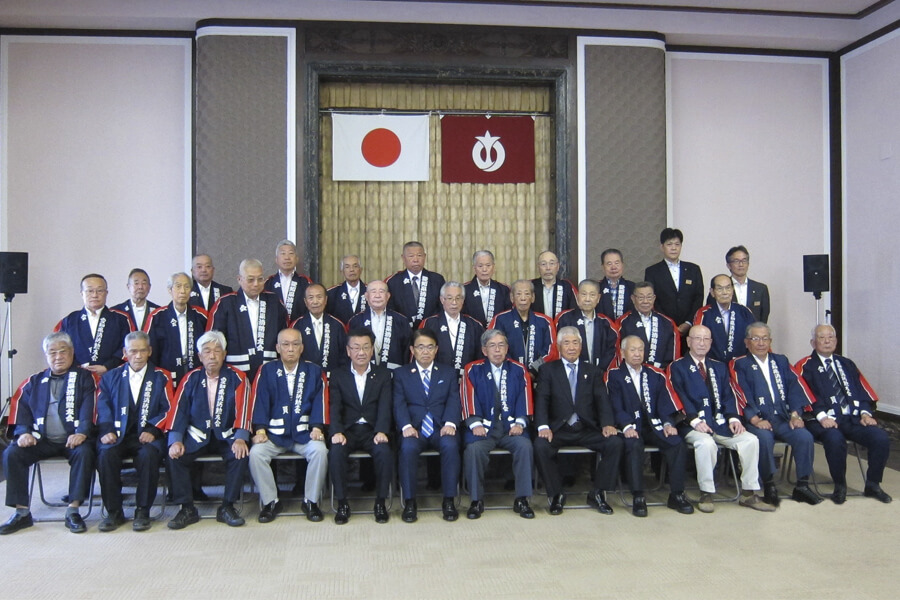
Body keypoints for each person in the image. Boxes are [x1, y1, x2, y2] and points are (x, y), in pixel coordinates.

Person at [668, 325, 774, 512]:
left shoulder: (718, 367)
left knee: (751, 440)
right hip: (692, 424)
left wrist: (734, 418)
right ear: (688, 341)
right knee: (705, 443)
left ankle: (749, 492)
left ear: (711, 342)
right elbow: (677, 397)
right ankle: (706, 493)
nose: (702, 343)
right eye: (697, 338)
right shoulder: (677, 367)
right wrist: (693, 420)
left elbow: (729, 395)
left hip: (719, 423)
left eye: (706, 339)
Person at [0, 332, 96, 535]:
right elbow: (21, 412)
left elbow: (91, 408)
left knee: (85, 452)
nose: (58, 356)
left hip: (74, 439)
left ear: (72, 353)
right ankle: (22, 512)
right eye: (52, 352)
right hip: (42, 439)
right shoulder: (33, 382)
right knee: (12, 453)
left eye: (63, 351)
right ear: (46, 355)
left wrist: (82, 432)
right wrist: (23, 433)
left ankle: (73, 510)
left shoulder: (85, 378)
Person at [795, 324, 892, 504]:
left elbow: (863, 391)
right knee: (834, 439)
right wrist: (822, 417)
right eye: (822, 337)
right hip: (821, 420)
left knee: (880, 438)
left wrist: (865, 413)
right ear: (813, 342)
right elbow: (801, 396)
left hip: (852, 418)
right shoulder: (804, 366)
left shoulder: (846, 364)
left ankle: (873, 484)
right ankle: (840, 485)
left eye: (831, 337)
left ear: (836, 341)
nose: (827, 341)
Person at [533, 327, 623, 516]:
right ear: (558, 347)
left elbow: (602, 399)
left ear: (581, 346)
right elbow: (542, 400)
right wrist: (543, 426)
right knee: (540, 446)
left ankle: (598, 493)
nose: (571, 347)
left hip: (586, 428)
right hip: (559, 428)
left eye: (575, 343)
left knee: (615, 442)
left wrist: (608, 423)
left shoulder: (593, 371)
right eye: (566, 343)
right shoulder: (548, 370)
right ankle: (556, 494)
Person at [730, 322, 822, 506]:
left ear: (770, 341)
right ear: (747, 342)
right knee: (763, 439)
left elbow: (796, 387)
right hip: (757, 419)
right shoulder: (739, 364)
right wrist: (755, 419)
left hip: (783, 417)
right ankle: (769, 483)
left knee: (804, 436)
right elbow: (739, 392)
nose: (761, 343)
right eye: (756, 338)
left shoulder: (780, 361)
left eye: (765, 338)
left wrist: (796, 414)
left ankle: (802, 485)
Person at [165, 330, 251, 529]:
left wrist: (241, 437)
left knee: (240, 454)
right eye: (207, 351)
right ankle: (186, 507)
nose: (212, 356)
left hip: (227, 434)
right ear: (200, 356)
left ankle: (227, 506)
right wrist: (176, 440)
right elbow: (179, 411)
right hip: (197, 434)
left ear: (225, 354)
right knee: (174, 455)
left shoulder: (237, 377)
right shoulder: (190, 378)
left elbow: (244, 408)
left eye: (217, 351)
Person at [606, 335, 694, 516]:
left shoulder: (655, 374)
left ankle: (677, 494)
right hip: (628, 427)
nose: (637, 354)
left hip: (654, 425)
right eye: (633, 350)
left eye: (640, 350)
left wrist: (668, 423)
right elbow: (614, 405)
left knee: (676, 442)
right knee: (634, 445)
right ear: (622, 353)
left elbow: (664, 404)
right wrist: (626, 426)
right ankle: (638, 496)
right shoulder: (613, 375)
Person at [248, 328, 328, 523]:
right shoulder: (266, 371)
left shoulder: (314, 371)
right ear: (277, 348)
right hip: (275, 435)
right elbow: (260, 401)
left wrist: (317, 427)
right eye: (285, 344)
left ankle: (311, 501)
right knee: (256, 454)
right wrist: (260, 429)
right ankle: (271, 502)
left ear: (302, 348)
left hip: (303, 434)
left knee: (320, 451)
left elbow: (321, 401)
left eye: (295, 344)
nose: (290, 349)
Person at [96, 331, 173, 532]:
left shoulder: (161, 376)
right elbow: (101, 406)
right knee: (105, 454)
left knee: (149, 455)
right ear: (124, 352)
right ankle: (114, 511)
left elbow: (170, 408)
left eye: (142, 351)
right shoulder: (111, 377)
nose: (138, 356)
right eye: (133, 351)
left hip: (147, 436)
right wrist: (107, 430)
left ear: (150, 351)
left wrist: (153, 429)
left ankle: (143, 510)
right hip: (117, 435)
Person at [461, 329, 535, 520]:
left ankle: (522, 499)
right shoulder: (472, 369)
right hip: (483, 428)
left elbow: (524, 398)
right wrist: (474, 423)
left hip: (510, 427)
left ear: (507, 348)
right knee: (474, 449)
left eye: (501, 345)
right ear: (484, 350)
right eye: (492, 346)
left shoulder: (518, 369)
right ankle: (476, 500)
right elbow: (468, 399)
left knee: (525, 446)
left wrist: (520, 422)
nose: (497, 350)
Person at [393, 330, 461, 523]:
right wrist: (405, 426)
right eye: (420, 347)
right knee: (407, 448)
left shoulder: (447, 372)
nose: (425, 351)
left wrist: (449, 423)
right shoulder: (401, 374)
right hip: (414, 428)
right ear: (412, 350)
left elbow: (453, 400)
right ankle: (410, 502)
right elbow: (398, 403)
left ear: (436, 349)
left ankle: (449, 500)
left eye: (430, 347)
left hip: (441, 427)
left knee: (451, 445)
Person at [328, 329, 394, 524]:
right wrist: (337, 431)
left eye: (366, 347)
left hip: (373, 430)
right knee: (336, 453)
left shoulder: (383, 374)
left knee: (384, 452)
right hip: (347, 430)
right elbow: (334, 407)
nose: (361, 352)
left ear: (372, 350)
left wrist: (382, 430)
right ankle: (342, 504)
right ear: (348, 351)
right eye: (356, 348)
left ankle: (380, 503)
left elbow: (385, 405)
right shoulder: (338, 375)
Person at [208, 258, 288, 379]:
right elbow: (214, 339)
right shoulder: (225, 303)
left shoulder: (274, 302)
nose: (256, 284)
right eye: (251, 279)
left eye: (260, 279)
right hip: (234, 373)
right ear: (239, 279)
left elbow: (285, 334)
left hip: (270, 371)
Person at [55, 273, 133, 375]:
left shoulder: (121, 319)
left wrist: (107, 366)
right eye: (90, 291)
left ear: (106, 293)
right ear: (82, 293)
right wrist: (79, 367)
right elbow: (61, 347)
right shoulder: (70, 320)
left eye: (100, 290)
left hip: (112, 374)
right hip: (77, 375)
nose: (95, 295)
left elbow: (128, 347)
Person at [145, 272, 209, 385]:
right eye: (178, 286)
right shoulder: (157, 316)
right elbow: (150, 350)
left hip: (196, 373)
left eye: (187, 287)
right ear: (170, 290)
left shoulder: (201, 315)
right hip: (167, 374)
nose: (183, 291)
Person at [643, 228, 704, 340]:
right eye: (669, 244)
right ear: (662, 247)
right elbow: (652, 299)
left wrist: (688, 322)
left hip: (690, 330)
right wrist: (668, 323)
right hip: (663, 327)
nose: (674, 248)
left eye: (677, 244)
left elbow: (698, 297)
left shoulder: (693, 269)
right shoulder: (652, 271)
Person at [489, 279, 557, 376]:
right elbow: (493, 348)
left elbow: (551, 351)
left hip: (539, 376)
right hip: (508, 375)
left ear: (533, 297)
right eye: (518, 294)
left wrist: (534, 370)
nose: (523, 298)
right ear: (512, 297)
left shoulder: (545, 321)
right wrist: (515, 369)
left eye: (527, 294)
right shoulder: (500, 320)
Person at [419, 281, 485, 375]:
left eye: (458, 298)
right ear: (442, 300)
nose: (454, 302)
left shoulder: (474, 325)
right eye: (449, 298)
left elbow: (480, 357)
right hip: (436, 379)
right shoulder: (429, 324)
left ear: (463, 300)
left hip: (465, 380)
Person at [555, 279, 618, 371]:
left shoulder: (606, 323)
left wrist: (599, 372)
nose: (587, 299)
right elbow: (556, 347)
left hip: (598, 375)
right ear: (577, 296)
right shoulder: (564, 318)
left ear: (598, 298)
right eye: (584, 294)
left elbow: (612, 351)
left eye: (592, 295)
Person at [348, 279, 411, 370]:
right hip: (364, 373)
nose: (377, 296)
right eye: (373, 292)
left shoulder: (401, 320)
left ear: (388, 296)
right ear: (366, 296)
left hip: (394, 374)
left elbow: (407, 351)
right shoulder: (355, 321)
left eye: (381, 292)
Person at [616, 281, 680, 368]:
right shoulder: (622, 322)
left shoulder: (667, 323)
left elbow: (673, 356)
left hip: (660, 375)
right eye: (641, 298)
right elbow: (618, 354)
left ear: (654, 298)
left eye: (649, 297)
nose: (645, 301)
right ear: (633, 298)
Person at [693, 274, 755, 364]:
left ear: (733, 290)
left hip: (741, 364)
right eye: (719, 289)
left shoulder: (744, 311)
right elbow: (697, 343)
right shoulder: (703, 314)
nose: (725, 292)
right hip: (713, 365)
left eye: (728, 288)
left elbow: (754, 338)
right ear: (712, 292)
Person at [385, 241, 446, 329]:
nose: (416, 260)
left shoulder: (437, 279)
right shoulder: (393, 282)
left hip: (431, 331)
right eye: (411, 256)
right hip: (402, 331)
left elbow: (443, 308)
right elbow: (390, 310)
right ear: (403, 258)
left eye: (419, 255)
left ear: (425, 257)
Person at [292, 283, 348, 375]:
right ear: (305, 302)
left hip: (332, 379)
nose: (315, 302)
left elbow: (344, 355)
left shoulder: (337, 325)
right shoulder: (297, 325)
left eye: (319, 297)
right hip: (305, 378)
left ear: (326, 300)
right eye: (311, 298)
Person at [705, 246, 770, 323]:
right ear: (728, 265)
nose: (741, 264)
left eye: (744, 260)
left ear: (748, 263)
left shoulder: (761, 289)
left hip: (752, 333)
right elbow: (711, 316)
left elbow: (763, 319)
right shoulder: (718, 289)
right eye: (736, 261)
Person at [264, 239, 312, 323]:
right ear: (276, 259)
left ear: (296, 259)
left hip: (298, 329)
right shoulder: (268, 283)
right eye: (283, 254)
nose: (287, 258)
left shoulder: (305, 282)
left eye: (291, 253)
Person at [462, 250, 511, 326]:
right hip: (472, 335)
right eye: (480, 266)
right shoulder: (464, 290)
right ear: (474, 268)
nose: (484, 269)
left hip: (497, 334)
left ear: (493, 267)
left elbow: (508, 316)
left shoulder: (503, 290)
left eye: (488, 265)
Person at [530, 251, 577, 320]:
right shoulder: (531, 286)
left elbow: (574, 312)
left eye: (552, 263)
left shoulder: (566, 287)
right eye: (543, 264)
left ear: (558, 266)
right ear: (538, 267)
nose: (548, 268)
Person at [325, 254, 367, 325]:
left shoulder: (370, 291)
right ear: (342, 271)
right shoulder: (332, 293)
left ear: (361, 270)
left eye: (355, 266)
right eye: (347, 267)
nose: (351, 270)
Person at [597, 249, 635, 320]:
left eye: (617, 263)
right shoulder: (596, 288)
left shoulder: (633, 287)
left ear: (622, 265)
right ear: (602, 267)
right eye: (609, 264)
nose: (613, 267)